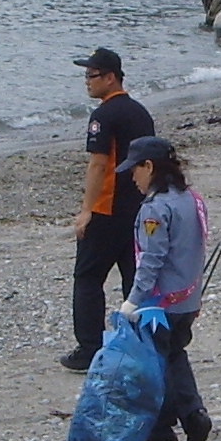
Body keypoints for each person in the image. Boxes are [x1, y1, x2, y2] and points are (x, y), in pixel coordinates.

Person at [114, 136, 214, 441]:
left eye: (135, 169)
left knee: (156, 362)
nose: (133, 177)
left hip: (160, 304)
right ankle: (182, 418)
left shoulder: (155, 209)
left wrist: (133, 301)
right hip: (188, 298)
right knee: (173, 354)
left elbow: (151, 260)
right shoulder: (191, 199)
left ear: (149, 166)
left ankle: (176, 420)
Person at [64, 48, 156, 371]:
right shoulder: (141, 113)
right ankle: (142, 342)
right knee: (135, 276)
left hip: (107, 209)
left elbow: (98, 164)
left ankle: (89, 348)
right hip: (138, 207)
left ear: (110, 78)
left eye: (92, 76)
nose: (87, 82)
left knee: (88, 278)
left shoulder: (103, 116)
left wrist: (86, 210)